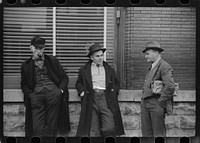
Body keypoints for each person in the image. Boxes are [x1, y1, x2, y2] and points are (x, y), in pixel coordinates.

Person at [21, 36, 71, 137]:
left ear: (44, 48)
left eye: (41, 48)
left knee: (52, 125)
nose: (39, 51)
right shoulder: (25, 65)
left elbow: (64, 77)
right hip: (36, 95)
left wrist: (60, 91)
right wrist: (31, 95)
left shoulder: (52, 60)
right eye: (36, 48)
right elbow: (24, 84)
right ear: (31, 48)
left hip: (53, 94)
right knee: (37, 128)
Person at [75, 43, 125, 137]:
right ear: (91, 57)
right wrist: (81, 92)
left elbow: (117, 83)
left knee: (109, 127)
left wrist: (114, 92)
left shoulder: (109, 69)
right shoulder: (85, 69)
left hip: (106, 98)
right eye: (97, 56)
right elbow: (79, 83)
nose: (100, 58)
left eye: (102, 55)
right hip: (91, 98)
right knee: (93, 130)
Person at [141, 41, 176, 137]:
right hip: (145, 104)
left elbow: (170, 86)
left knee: (158, 134)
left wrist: (160, 102)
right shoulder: (152, 66)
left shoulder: (164, 66)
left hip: (156, 103)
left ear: (156, 53)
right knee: (146, 134)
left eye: (147, 54)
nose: (146, 56)